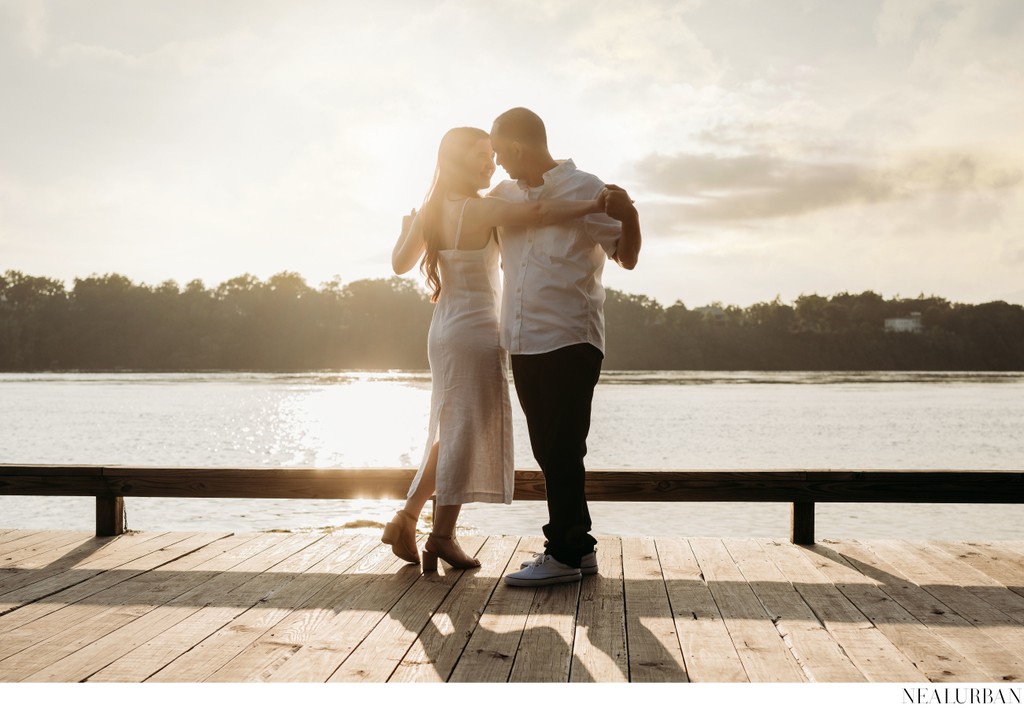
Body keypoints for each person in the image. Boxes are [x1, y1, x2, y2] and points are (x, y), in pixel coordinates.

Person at [385, 126, 609, 572]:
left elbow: (399, 264)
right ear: (455, 162)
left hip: (445, 328)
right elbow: (543, 210)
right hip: (475, 332)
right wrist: (595, 203)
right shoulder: (482, 209)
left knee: (456, 431)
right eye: (480, 156)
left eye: (492, 155)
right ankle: (434, 532)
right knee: (463, 432)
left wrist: (408, 227)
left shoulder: (433, 209)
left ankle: (413, 521)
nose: (490, 163)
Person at [491, 108, 641, 588]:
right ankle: (580, 549)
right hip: (522, 339)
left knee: (561, 446)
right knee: (550, 450)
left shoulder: (586, 189)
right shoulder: (503, 195)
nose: (496, 163)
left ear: (516, 146)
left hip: (570, 336)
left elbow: (628, 257)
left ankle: (563, 552)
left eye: (498, 152)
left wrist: (630, 214)